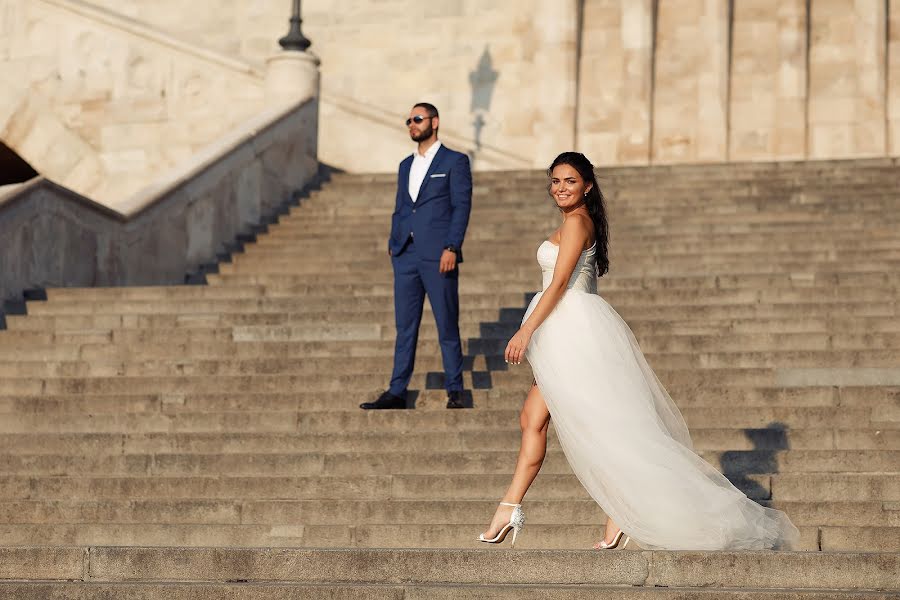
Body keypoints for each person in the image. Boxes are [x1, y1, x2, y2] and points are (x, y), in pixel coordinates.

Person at [478, 152, 800, 550]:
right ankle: (519, 508)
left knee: (595, 425)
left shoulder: (579, 223)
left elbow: (560, 283)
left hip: (573, 329)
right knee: (533, 418)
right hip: (563, 329)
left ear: (587, 186)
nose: (561, 188)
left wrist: (526, 330)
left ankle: (593, 511)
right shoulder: (570, 222)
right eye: (556, 181)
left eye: (570, 181)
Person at [361, 103, 473, 410]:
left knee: (446, 322)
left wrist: (452, 246)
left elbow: (461, 206)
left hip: (438, 254)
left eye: (418, 119)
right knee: (405, 325)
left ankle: (455, 389)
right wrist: (393, 239)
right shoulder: (404, 165)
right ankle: (397, 391)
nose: (412, 123)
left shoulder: (455, 161)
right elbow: (401, 206)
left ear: (434, 122)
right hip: (405, 255)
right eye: (409, 120)